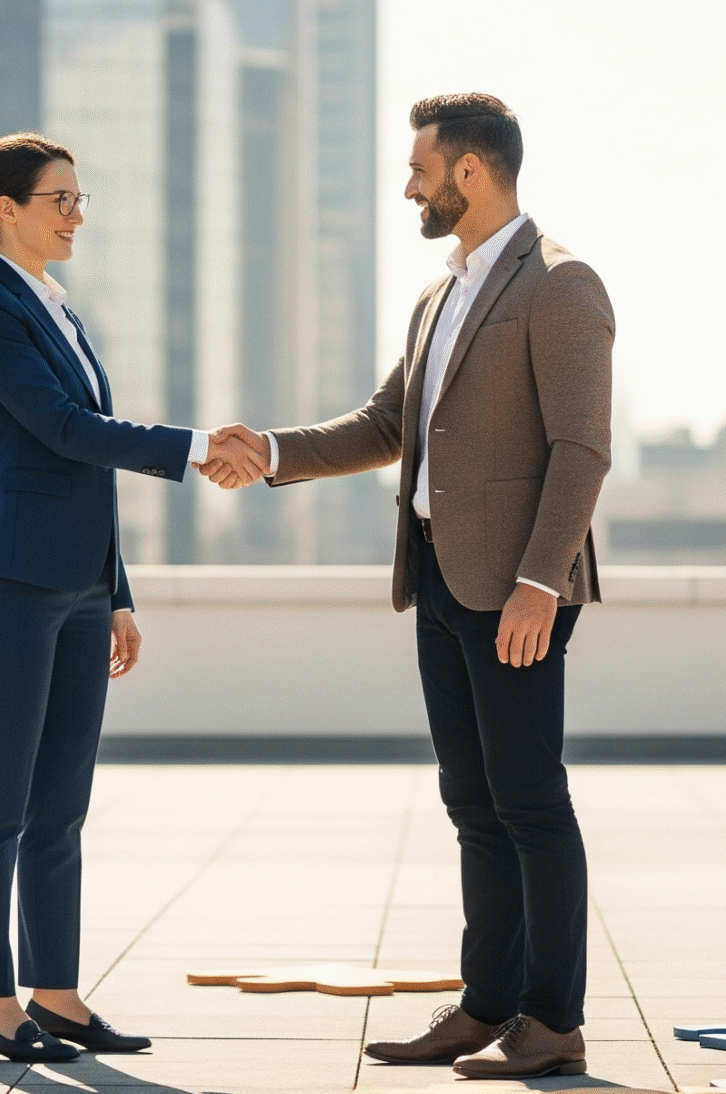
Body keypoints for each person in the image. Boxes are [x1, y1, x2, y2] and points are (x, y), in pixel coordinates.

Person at [209, 94, 614, 1081]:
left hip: (513, 589)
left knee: (530, 799)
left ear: (470, 170)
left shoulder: (561, 283)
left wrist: (536, 583)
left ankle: (552, 1017)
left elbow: (581, 449)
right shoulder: (439, 295)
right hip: (435, 577)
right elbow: (388, 421)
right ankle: (486, 1002)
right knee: (471, 799)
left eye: (419, 169)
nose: (409, 185)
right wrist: (270, 451)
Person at [0, 133, 262, 1063]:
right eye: (60, 199)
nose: (77, 214)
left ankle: (58, 995)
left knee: (62, 806)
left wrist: (115, 591)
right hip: (9, 580)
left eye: (81, 198)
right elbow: (63, 431)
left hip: (79, 586)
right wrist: (197, 444)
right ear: (8, 209)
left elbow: (87, 472)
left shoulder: (62, 311)